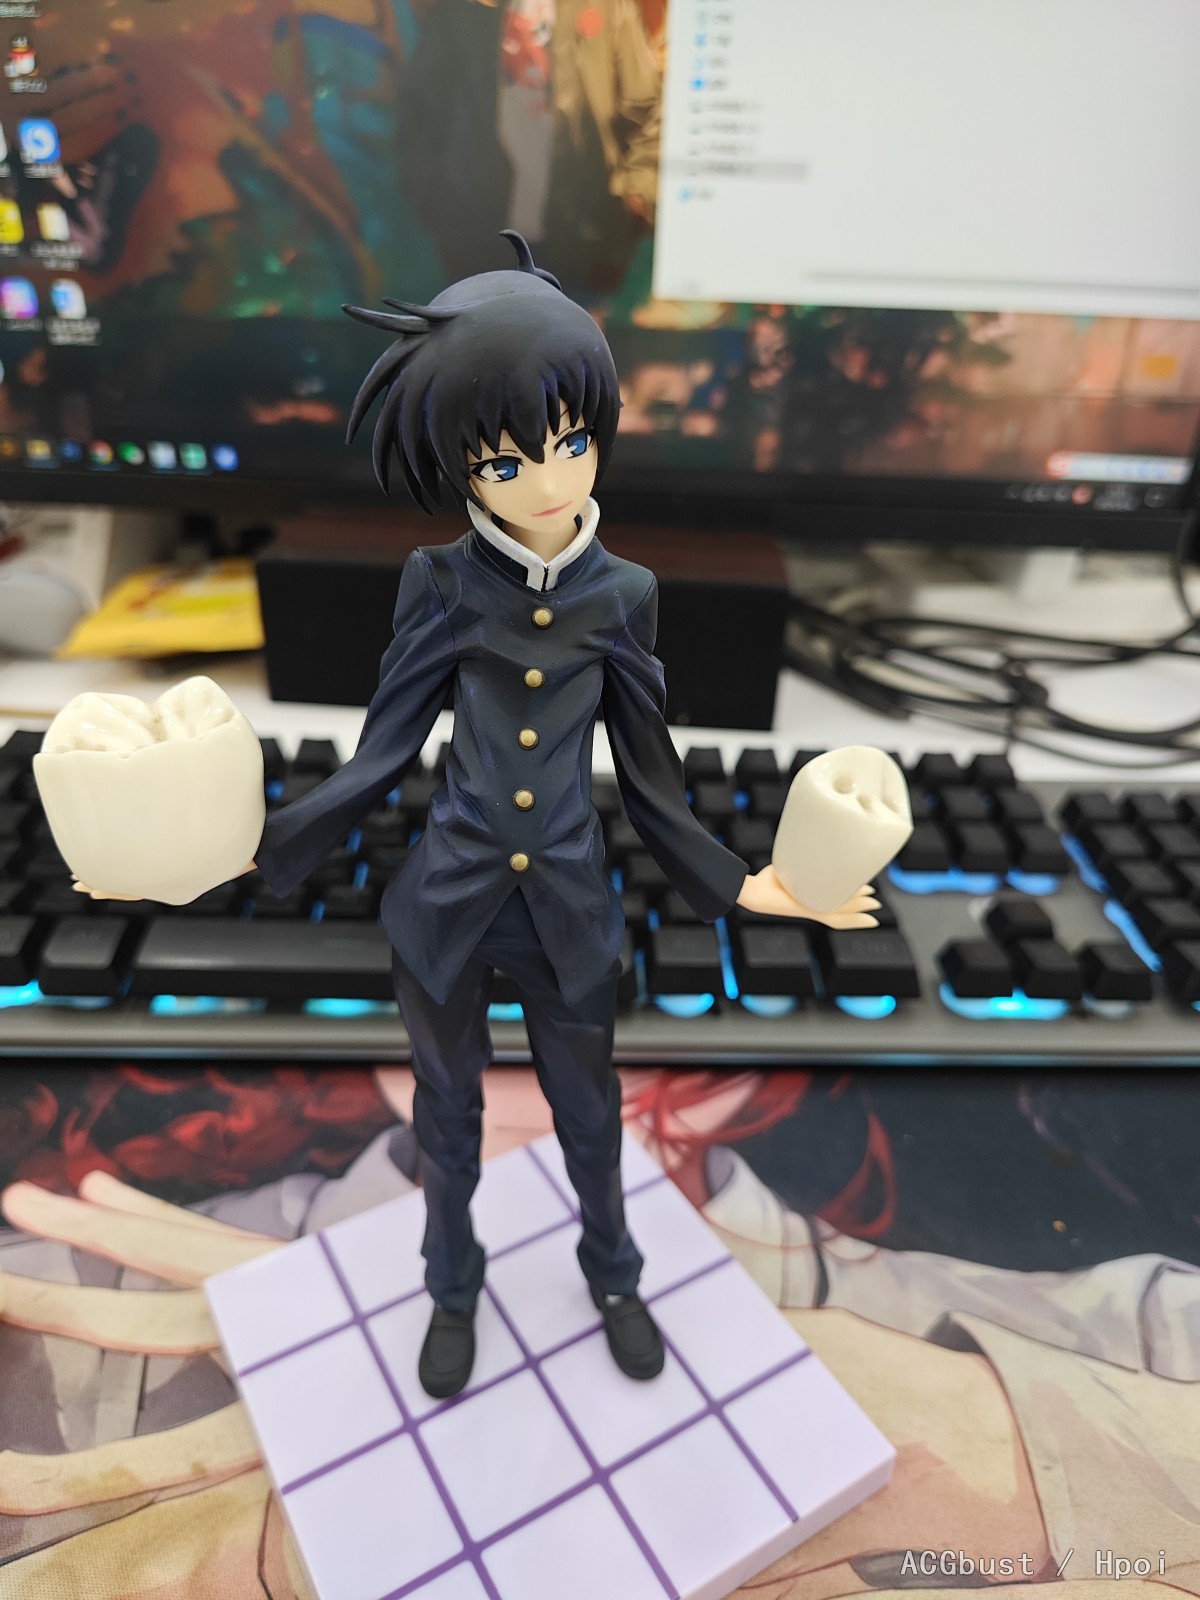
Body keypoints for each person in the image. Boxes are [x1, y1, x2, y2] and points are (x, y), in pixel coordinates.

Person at [251, 234, 882, 1398]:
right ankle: (452, 1286)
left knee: (592, 1117)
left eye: (573, 441)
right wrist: (239, 849)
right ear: (460, 468)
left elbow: (650, 773)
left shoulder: (624, 594)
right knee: (447, 1125)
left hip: (571, 913)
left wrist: (752, 884)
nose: (549, 478)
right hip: (447, 910)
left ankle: (614, 1275)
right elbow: (381, 751)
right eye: (506, 459)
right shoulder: (440, 583)